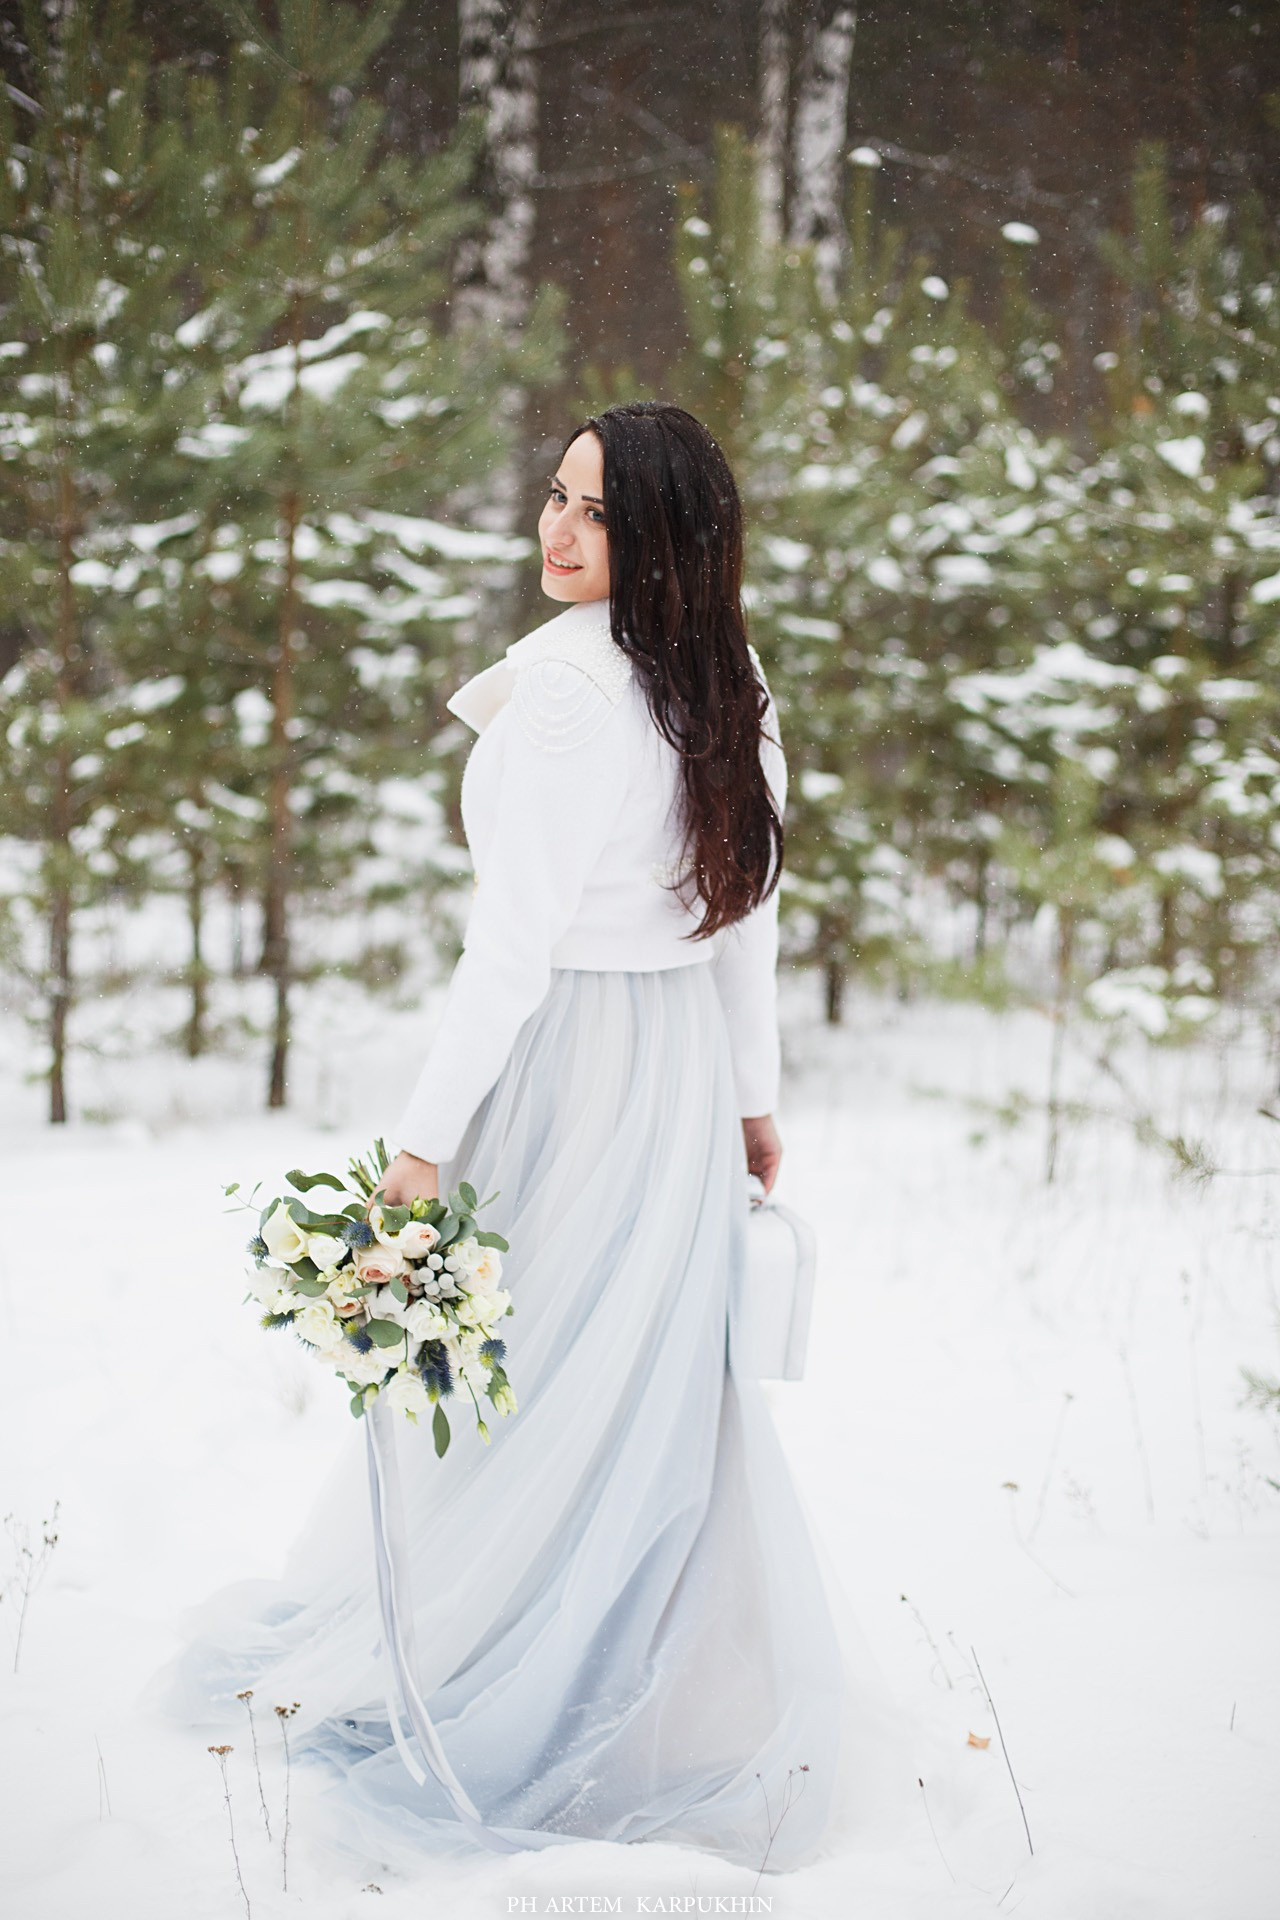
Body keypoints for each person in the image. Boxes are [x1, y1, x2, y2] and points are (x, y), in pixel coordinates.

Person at [160, 402, 879, 1877]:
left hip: (571, 1069)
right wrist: (747, 1103)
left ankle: (527, 1679)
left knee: (547, 1378)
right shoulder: (723, 677)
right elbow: (747, 919)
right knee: (629, 1384)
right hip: (669, 1073)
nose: (557, 531)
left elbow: (528, 951)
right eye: (556, 496)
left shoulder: (570, 697)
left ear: (667, 535)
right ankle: (627, 1668)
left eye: (598, 512)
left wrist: (425, 1145)